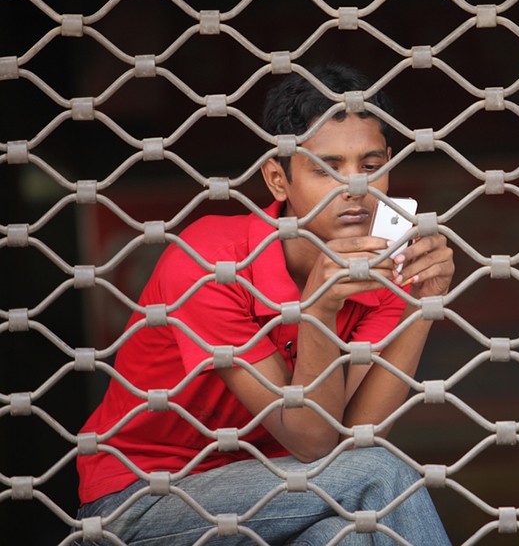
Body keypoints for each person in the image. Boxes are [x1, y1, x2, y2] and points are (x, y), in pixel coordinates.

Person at [75, 63, 455, 545]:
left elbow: (354, 436)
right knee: (380, 476)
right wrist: (317, 311)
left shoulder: (381, 267)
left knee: (347, 536)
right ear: (278, 179)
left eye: (370, 166)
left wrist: (420, 304)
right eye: (326, 168)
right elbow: (316, 443)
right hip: (146, 499)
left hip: (287, 485)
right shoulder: (211, 261)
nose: (354, 187)